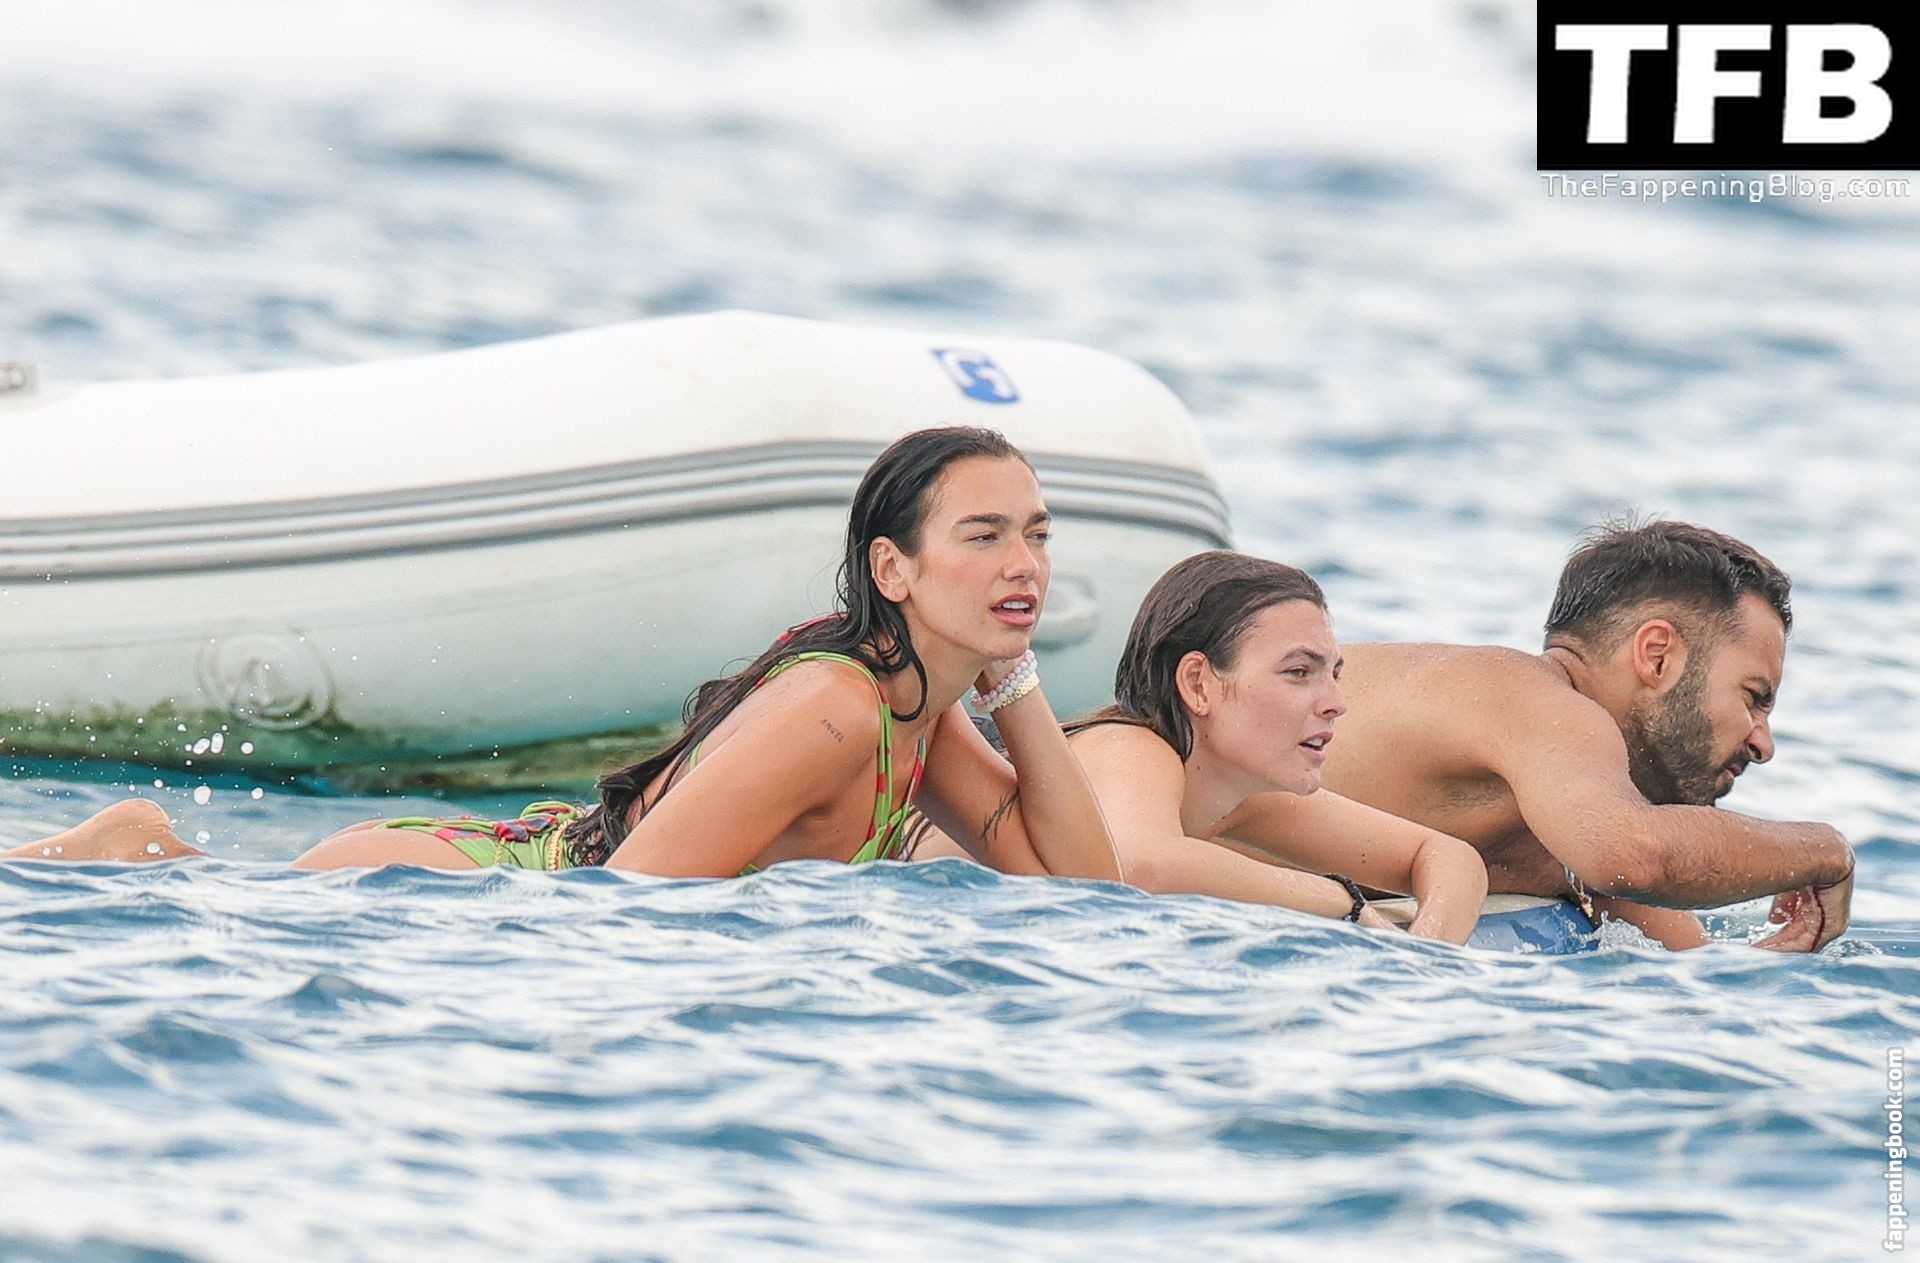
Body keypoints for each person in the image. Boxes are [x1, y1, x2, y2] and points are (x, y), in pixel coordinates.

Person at [1, 427, 1123, 885]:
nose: (1023, 563)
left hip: (492, 882)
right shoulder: (835, 707)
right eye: (984, 537)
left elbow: (1081, 884)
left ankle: (148, 850)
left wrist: (1014, 677)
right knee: (202, 889)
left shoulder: (920, 711)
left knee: (208, 883)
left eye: (1037, 535)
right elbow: (624, 900)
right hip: (446, 887)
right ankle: (135, 843)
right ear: (894, 569)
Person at [1297, 518, 1853, 952]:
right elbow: (1634, 857)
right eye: (1753, 697)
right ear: (1657, 656)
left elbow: (1693, 962)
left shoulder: (1559, 810)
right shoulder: (1532, 703)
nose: (1763, 744)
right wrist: (1826, 851)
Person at [911, 552, 1489, 944]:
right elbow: (1141, 868)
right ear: (1198, 684)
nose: (1336, 702)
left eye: (1333, 674)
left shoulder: (1240, 792)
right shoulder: (1130, 746)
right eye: (1298, 673)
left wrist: (1422, 958)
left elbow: (1447, 857)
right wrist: (1343, 904)